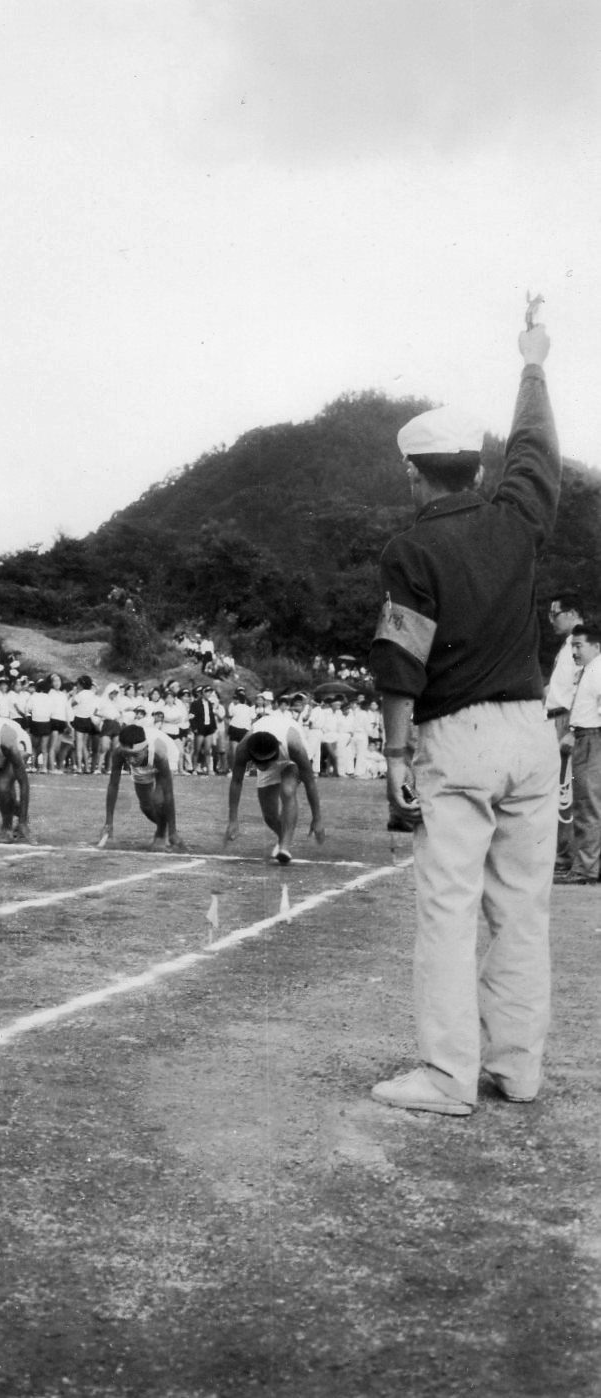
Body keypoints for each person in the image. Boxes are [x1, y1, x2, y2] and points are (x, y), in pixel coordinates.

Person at [368, 320, 559, 1117]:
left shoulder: (410, 549)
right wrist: (532, 366)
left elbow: (400, 661)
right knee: (521, 909)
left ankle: (447, 1075)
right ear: (477, 468)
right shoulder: (517, 517)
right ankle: (518, 1068)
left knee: (448, 911)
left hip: (457, 736)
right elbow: (536, 450)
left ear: (415, 475)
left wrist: (395, 757)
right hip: (531, 731)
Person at [224, 725, 326, 863]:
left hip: (290, 760)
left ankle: (285, 847)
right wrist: (233, 820)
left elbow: (310, 783)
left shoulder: (294, 746)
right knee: (269, 815)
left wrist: (317, 818)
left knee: (288, 790)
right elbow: (236, 781)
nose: (263, 764)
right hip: (270, 755)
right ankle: (282, 838)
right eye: (260, 762)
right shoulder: (243, 748)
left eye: (266, 761)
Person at [555, 623, 601, 884]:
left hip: (594, 737)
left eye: (579, 645)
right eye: (572, 645)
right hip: (585, 736)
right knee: (588, 804)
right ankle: (588, 866)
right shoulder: (588, 670)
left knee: (588, 805)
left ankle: (585, 870)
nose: (574, 650)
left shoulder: (598, 669)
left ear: (596, 646)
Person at [544, 592, 584, 875]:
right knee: (558, 789)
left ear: (571, 613)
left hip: (568, 720)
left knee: (566, 792)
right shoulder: (568, 645)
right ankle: (563, 855)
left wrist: (572, 729)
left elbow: (583, 689)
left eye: (555, 614)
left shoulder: (582, 645)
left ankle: (568, 857)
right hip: (555, 718)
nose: (550, 620)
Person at [98, 723, 187, 852]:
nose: (131, 761)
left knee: (158, 799)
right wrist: (108, 823)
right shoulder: (119, 753)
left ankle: (162, 834)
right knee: (146, 806)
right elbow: (113, 786)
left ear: (145, 749)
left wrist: (173, 832)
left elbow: (168, 793)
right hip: (145, 760)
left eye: (135, 755)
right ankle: (163, 828)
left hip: (168, 754)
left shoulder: (159, 752)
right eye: (127, 755)